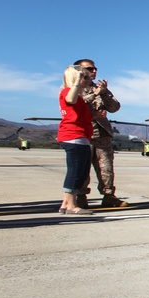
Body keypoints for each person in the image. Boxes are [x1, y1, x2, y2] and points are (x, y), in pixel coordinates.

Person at [74, 59, 128, 208]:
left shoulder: (99, 88)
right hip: (83, 134)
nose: (94, 71)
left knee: (106, 168)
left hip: (102, 134)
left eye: (95, 69)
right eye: (90, 69)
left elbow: (115, 107)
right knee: (82, 168)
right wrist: (94, 96)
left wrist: (104, 93)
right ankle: (80, 196)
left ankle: (109, 195)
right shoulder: (73, 88)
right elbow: (75, 106)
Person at [57, 65, 95, 215]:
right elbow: (70, 100)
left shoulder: (78, 97)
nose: (88, 79)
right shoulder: (67, 92)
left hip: (81, 138)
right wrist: (77, 81)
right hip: (73, 137)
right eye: (85, 77)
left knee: (81, 172)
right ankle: (71, 205)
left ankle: (66, 203)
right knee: (75, 172)